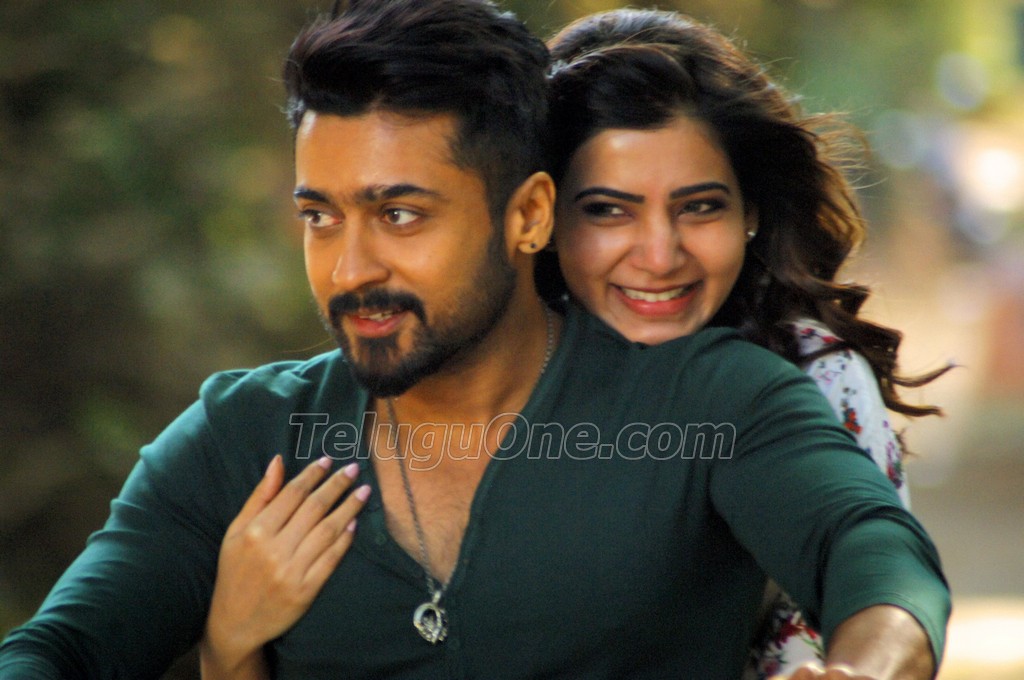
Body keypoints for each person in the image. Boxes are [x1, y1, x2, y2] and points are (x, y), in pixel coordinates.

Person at [0, 1, 949, 679]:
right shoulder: (244, 436)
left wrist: (863, 668)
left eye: (400, 215)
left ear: (529, 215)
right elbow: (61, 647)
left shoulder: (714, 399)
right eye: (320, 217)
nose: (350, 267)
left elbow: (873, 552)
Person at [537, 8, 953, 677]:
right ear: (540, 216)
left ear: (750, 211)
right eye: (608, 211)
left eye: (700, 207)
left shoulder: (815, 374)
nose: (659, 255)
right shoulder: (478, 370)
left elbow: (878, 573)